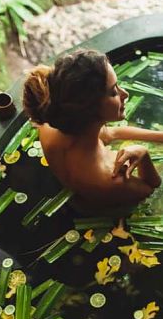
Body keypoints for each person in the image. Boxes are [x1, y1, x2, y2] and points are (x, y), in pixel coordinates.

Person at [22, 49, 163, 213]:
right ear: (90, 108)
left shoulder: (50, 126)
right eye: (113, 92)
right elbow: (150, 187)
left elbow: (110, 134)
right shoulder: (110, 178)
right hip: (104, 208)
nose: (125, 94)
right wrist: (143, 154)